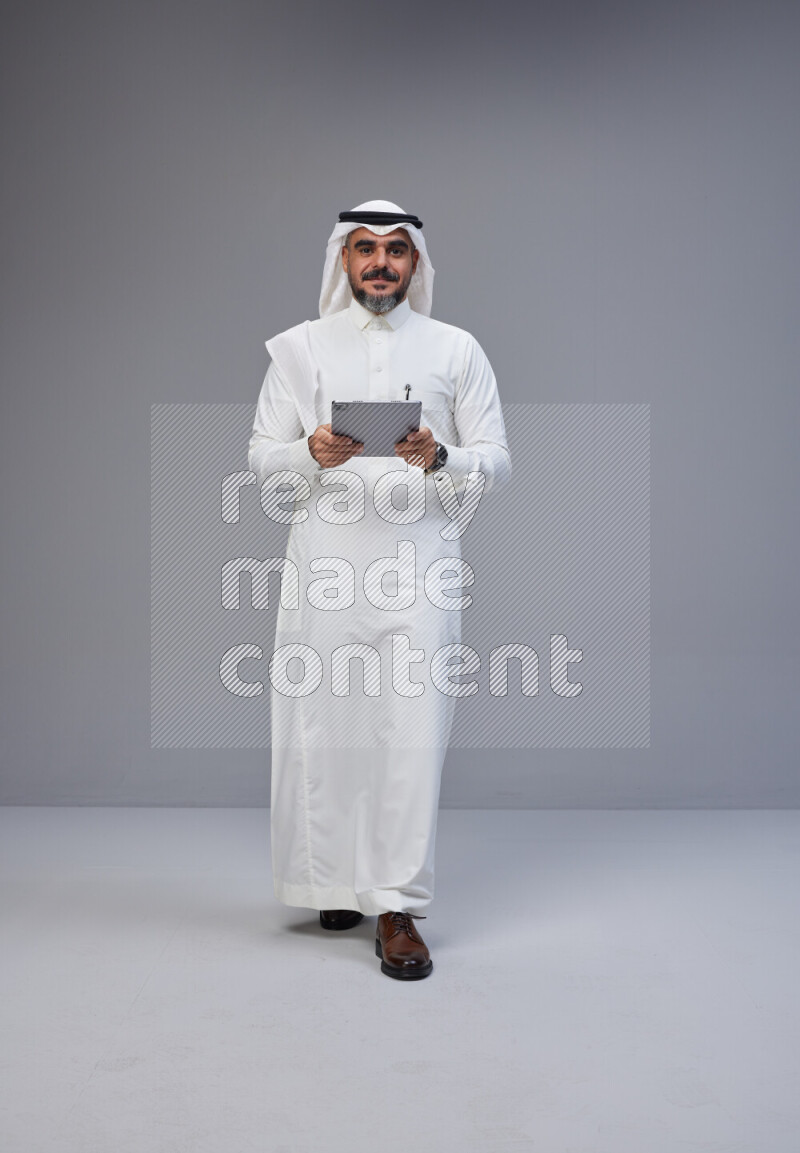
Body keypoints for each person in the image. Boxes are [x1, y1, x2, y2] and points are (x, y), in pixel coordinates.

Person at [248, 199, 511, 980]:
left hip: (420, 567)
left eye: (396, 250)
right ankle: (330, 881)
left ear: (417, 264)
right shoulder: (300, 349)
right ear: (342, 260)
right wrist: (310, 452)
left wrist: (440, 458)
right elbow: (261, 457)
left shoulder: (456, 349)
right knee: (323, 727)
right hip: (324, 567)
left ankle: (395, 904)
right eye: (364, 248)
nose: (380, 263)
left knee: (410, 732)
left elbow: (497, 460)